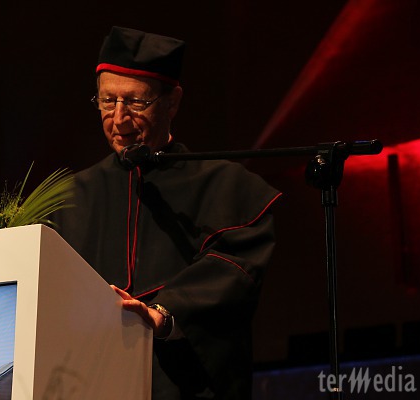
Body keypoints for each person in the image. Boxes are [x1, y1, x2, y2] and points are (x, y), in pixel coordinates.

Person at [51, 26, 281, 400]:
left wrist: (163, 313)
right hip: (91, 379)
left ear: (172, 102)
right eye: (108, 101)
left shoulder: (225, 185)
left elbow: (234, 271)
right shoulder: (70, 196)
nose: (119, 119)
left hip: (185, 382)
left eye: (135, 102)